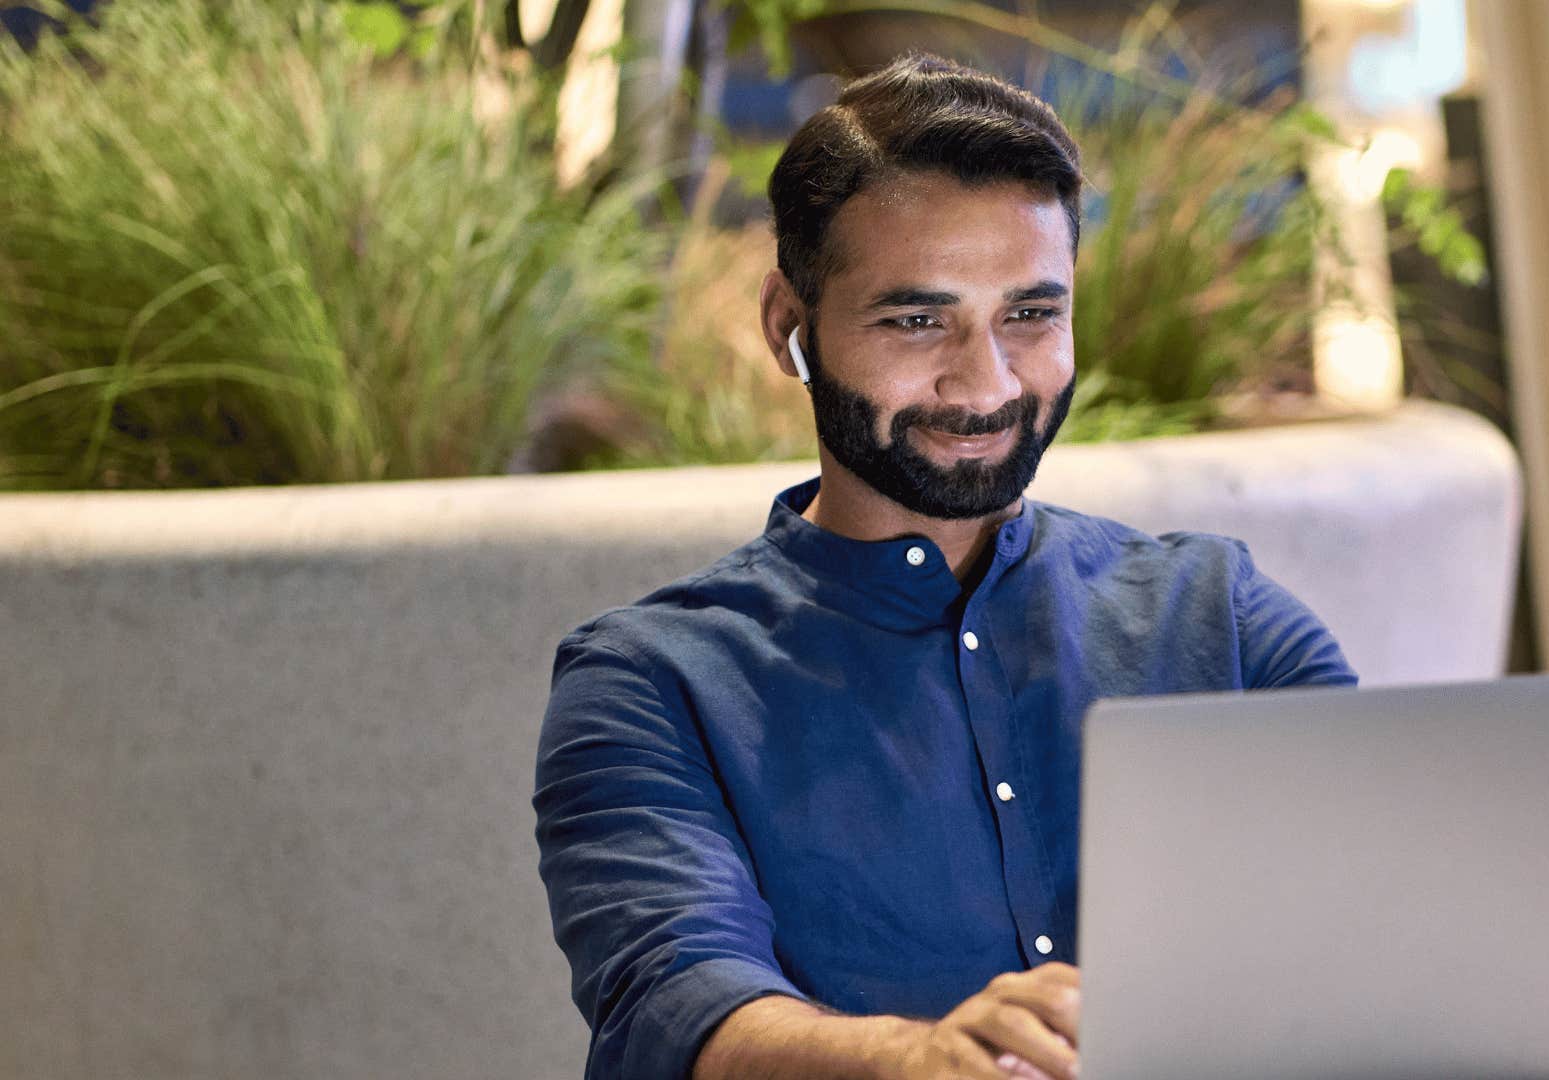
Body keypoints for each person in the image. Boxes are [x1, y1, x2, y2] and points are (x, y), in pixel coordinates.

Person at [532, 52, 1357, 1080]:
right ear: (791, 327)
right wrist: (914, 1062)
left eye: (1030, 313)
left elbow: (1388, 914)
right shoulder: (653, 683)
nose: (987, 381)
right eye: (917, 319)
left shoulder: (1221, 617)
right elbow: (674, 1007)